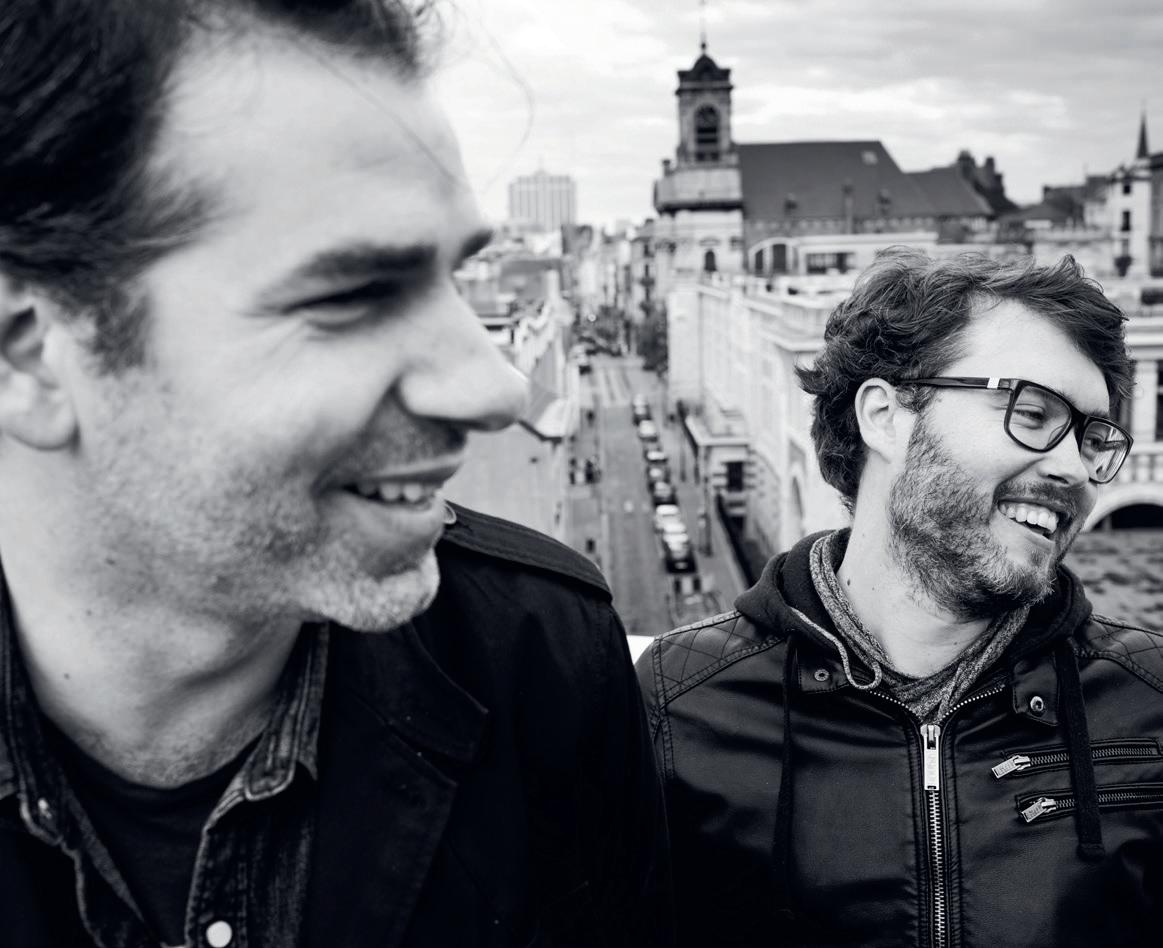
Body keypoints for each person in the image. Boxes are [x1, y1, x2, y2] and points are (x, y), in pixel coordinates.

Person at [0, 2, 670, 946]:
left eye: (451, 279)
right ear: (29, 355)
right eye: (351, 296)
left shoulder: (542, 658)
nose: (495, 388)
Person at [637, 249, 1163, 947]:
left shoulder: (1148, 699)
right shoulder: (677, 706)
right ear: (884, 416)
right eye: (1032, 413)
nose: (1074, 469)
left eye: (1093, 439)